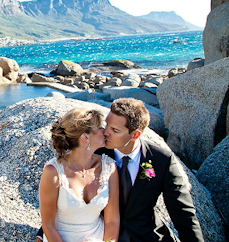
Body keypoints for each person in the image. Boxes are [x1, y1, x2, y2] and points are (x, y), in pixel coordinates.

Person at [37, 98, 204, 242]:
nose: (106, 133)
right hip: (100, 234)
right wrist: (44, 233)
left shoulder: (162, 160)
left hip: (144, 236)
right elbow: (67, 196)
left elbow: (183, 212)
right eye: (106, 125)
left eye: (115, 130)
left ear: (135, 135)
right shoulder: (96, 150)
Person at [38, 108, 120, 242]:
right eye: (100, 128)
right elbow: (48, 225)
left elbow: (112, 221)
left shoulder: (109, 167)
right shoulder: (53, 172)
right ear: (85, 137)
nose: (105, 132)